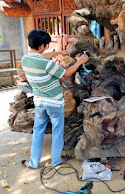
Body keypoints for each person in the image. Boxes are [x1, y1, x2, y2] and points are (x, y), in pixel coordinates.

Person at [21, 29, 89, 169]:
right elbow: (66, 73)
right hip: (54, 103)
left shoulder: (25, 59)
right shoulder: (48, 64)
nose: (47, 47)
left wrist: (58, 53)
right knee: (58, 131)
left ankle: (33, 163)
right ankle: (56, 160)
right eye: (46, 45)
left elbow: (41, 56)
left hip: (39, 102)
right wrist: (80, 61)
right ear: (41, 46)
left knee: (38, 132)